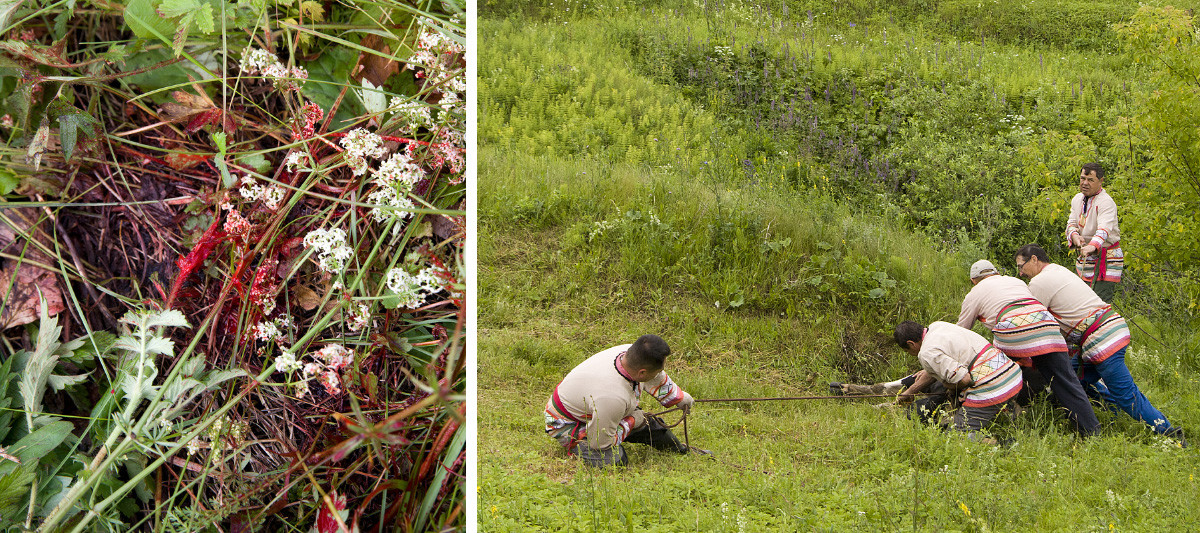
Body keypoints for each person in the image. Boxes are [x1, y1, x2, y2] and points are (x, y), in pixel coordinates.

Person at [1014, 244, 1186, 447]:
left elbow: (1033, 321)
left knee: (1127, 394)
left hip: (1102, 338)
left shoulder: (1040, 282)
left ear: (1034, 259)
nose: (1021, 272)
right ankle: (1112, 413)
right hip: (1104, 332)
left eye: (1021, 265)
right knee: (1072, 378)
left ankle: (1171, 433)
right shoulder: (1057, 270)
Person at [957, 259, 1100, 437]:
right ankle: (1091, 431)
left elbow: (959, 333)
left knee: (1001, 372)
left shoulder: (975, 293)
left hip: (1014, 330)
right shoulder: (1016, 282)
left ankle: (1011, 420)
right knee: (1067, 381)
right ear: (995, 273)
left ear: (973, 280)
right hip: (1047, 326)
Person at [544, 334, 696, 467]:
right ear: (641, 373)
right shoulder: (612, 397)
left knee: (651, 425)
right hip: (566, 422)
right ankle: (578, 446)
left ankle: (682, 450)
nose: (660, 372)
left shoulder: (631, 354)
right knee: (615, 460)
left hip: (600, 406)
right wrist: (632, 422)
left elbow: (655, 376)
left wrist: (679, 397)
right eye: (658, 370)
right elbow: (599, 442)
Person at [892, 321, 1024, 441]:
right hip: (1012, 375)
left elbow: (965, 379)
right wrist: (909, 392)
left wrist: (948, 385)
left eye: (907, 351)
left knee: (955, 436)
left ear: (911, 344)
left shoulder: (926, 352)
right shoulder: (939, 326)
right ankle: (1008, 410)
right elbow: (938, 368)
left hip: (992, 387)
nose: (911, 354)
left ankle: (1000, 444)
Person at [1065, 162, 1123, 302]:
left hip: (1106, 259)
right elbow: (1071, 223)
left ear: (1100, 181)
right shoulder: (1077, 199)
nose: (1085, 183)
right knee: (1080, 300)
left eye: (1090, 180)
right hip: (1085, 258)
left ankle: (1103, 324)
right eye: (1082, 178)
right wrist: (1075, 236)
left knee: (1098, 302)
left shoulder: (1106, 202)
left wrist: (1092, 245)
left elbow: (1105, 229)